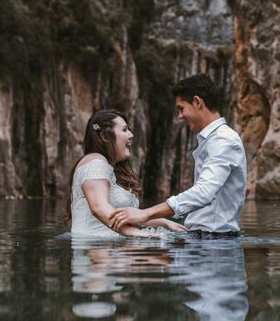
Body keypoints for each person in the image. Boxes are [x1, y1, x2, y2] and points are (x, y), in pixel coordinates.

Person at [109, 74, 247, 237]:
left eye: (181, 108)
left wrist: (146, 213)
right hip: (205, 240)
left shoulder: (223, 139)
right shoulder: (212, 139)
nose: (179, 116)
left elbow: (204, 192)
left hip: (214, 245)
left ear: (197, 102)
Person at [66, 109, 186, 238]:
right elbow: (98, 207)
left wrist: (163, 222)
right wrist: (135, 233)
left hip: (112, 250)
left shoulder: (108, 168)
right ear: (104, 137)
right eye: (124, 130)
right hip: (95, 250)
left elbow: (124, 217)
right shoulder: (96, 161)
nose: (131, 135)